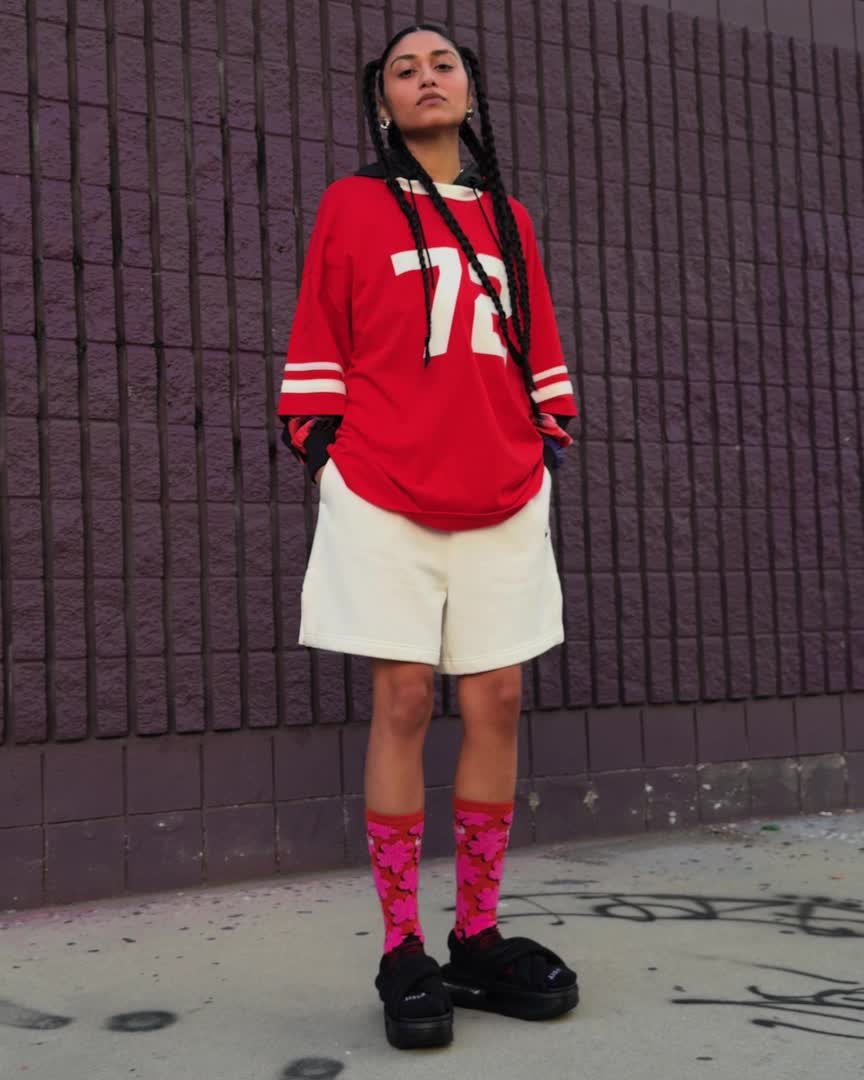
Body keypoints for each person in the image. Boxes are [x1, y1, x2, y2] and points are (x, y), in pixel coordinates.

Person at [277, 23, 580, 1050]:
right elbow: (320, 329)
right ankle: (403, 947)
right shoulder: (351, 204)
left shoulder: (508, 217)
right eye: (403, 69)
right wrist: (324, 447)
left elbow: (536, 338)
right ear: (384, 102)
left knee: (497, 698)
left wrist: (547, 435)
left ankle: (477, 936)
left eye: (442, 63)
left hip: (503, 482)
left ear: (469, 88)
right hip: (381, 486)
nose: (425, 77)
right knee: (404, 697)